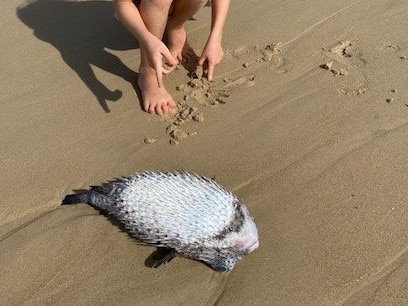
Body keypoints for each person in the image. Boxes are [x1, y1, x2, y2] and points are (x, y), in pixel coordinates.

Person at [114, 0, 231, 115]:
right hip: (137, 14)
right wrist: (147, 39)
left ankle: (176, 27)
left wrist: (216, 38)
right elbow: (123, 3)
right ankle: (148, 72)